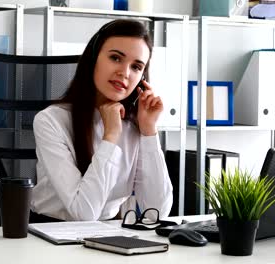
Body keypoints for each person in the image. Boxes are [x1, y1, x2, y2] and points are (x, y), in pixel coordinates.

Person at [30, 19, 173, 222]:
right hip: (52, 235)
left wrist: (149, 131)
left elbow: (157, 211)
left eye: (136, 67)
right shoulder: (50, 121)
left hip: (109, 234)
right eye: (115, 58)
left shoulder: (134, 126)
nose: (124, 73)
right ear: (93, 59)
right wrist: (111, 135)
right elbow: (83, 214)